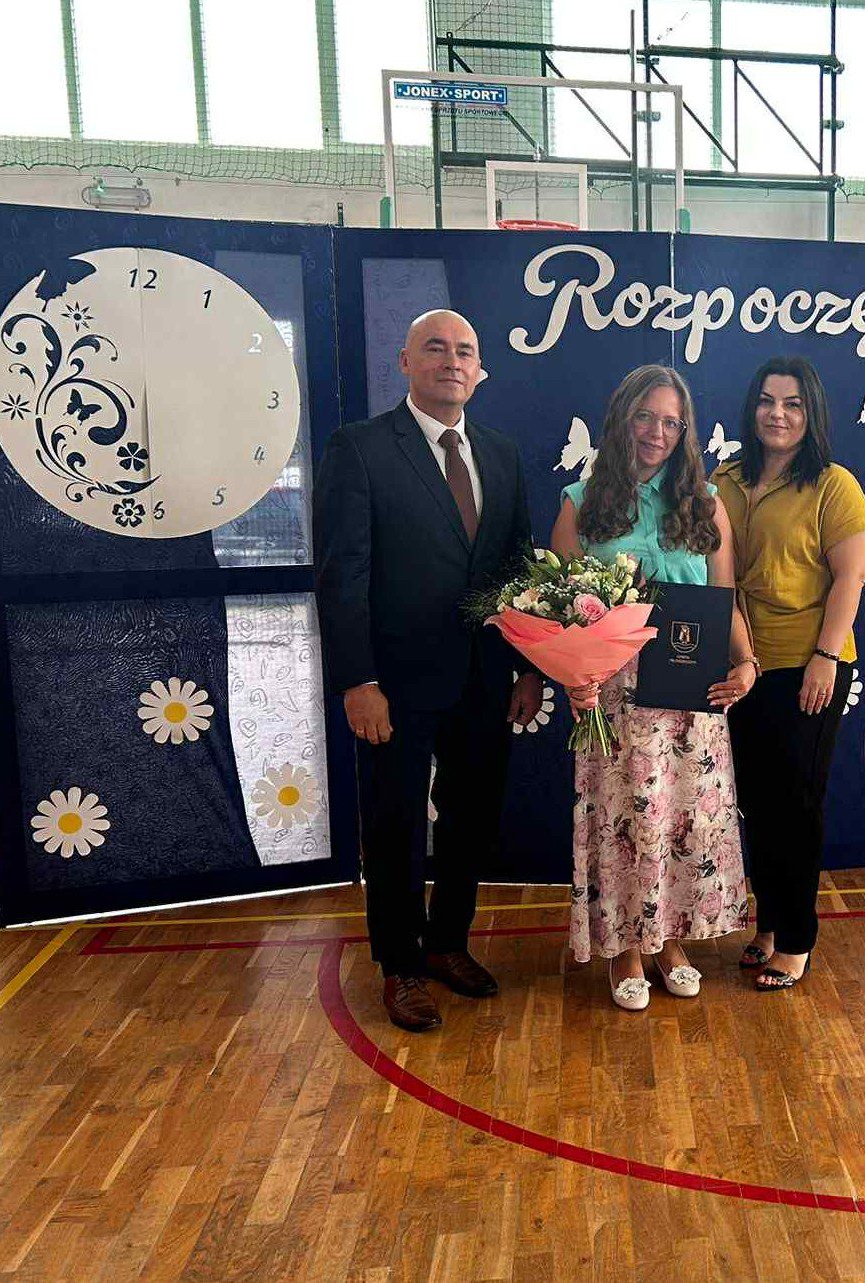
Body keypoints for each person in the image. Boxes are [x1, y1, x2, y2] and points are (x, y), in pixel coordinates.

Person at [315, 309, 545, 1032]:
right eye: (436, 348)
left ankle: (447, 944)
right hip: (393, 684)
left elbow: (517, 569)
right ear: (406, 362)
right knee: (393, 828)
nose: (452, 361)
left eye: (465, 351)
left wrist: (528, 669)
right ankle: (401, 967)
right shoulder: (359, 449)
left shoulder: (502, 454)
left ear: (480, 371)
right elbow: (342, 575)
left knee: (470, 821)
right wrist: (358, 680)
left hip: (484, 678)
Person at [553, 364, 756, 1011]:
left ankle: (669, 943)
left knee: (681, 823)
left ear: (684, 430)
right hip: (615, 696)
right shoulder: (581, 502)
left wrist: (746, 662)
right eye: (645, 416)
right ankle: (625, 949)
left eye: (671, 421)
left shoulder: (705, 503)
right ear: (622, 419)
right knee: (627, 824)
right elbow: (560, 608)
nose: (657, 432)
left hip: (691, 695)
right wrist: (574, 677)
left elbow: (723, 596)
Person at [716, 356, 865, 992]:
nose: (776, 414)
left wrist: (826, 658)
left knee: (796, 805)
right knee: (755, 803)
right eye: (766, 401)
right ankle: (768, 925)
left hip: (806, 664)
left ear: (811, 414)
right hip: (738, 666)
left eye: (792, 404)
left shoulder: (834, 485)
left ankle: (796, 939)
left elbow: (851, 577)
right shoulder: (724, 480)